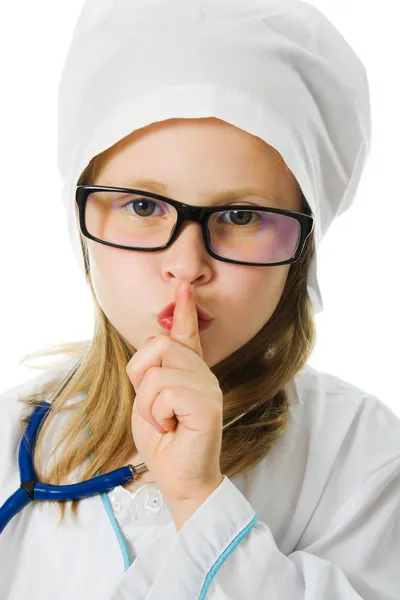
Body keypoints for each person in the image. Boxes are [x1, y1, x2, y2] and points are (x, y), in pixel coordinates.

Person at [0, 1, 399, 599]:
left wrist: (199, 500)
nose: (186, 266)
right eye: (142, 206)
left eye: (241, 216)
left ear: (305, 243)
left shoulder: (362, 455)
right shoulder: (10, 436)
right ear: (77, 214)